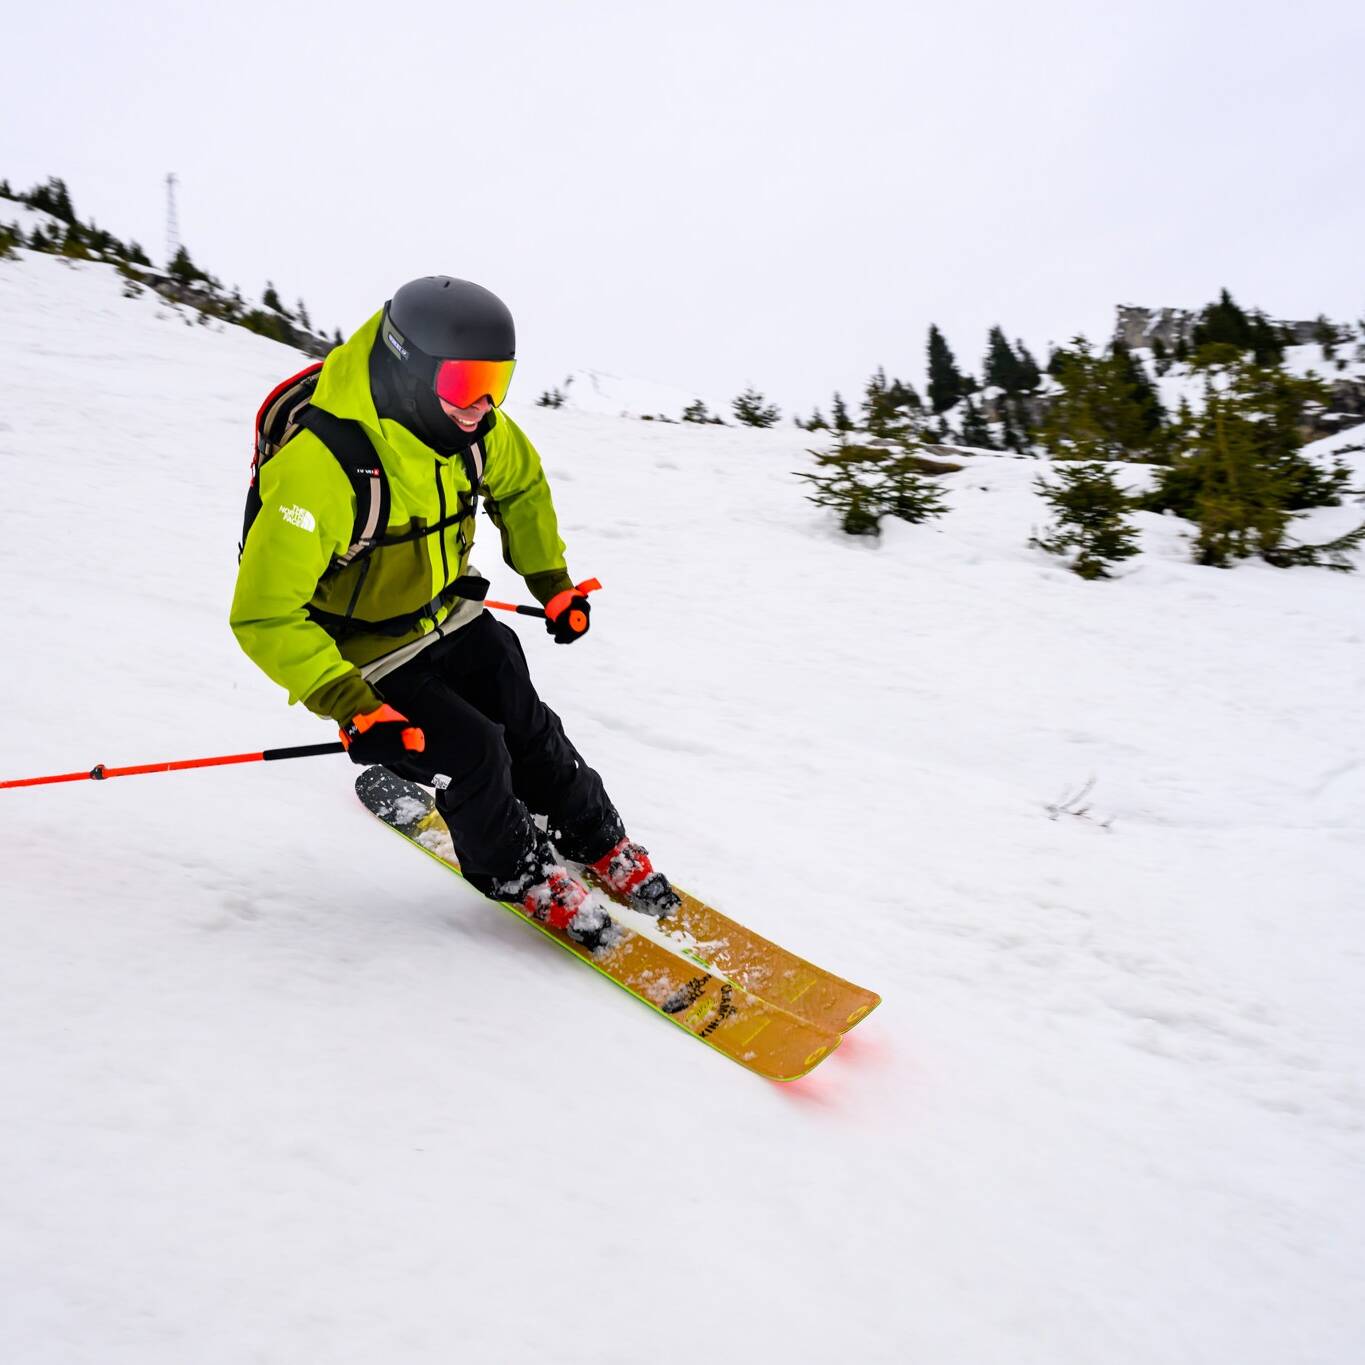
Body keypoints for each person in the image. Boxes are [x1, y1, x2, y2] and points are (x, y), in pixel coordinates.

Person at [230, 276, 677, 947]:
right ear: (410, 364)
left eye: (497, 380)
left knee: (525, 720)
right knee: (474, 749)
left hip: (448, 613)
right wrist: (352, 704)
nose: (483, 403)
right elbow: (263, 614)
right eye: (465, 381)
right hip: (361, 650)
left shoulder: (473, 428)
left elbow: (521, 486)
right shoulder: (324, 465)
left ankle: (594, 837)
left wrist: (550, 580)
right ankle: (517, 870)